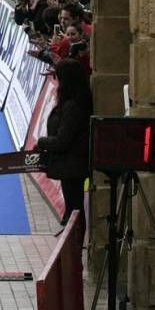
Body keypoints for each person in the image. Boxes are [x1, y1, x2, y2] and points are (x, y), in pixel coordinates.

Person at [36, 59, 92, 239]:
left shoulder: (73, 107)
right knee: (72, 209)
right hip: (69, 165)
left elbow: (62, 141)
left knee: (74, 210)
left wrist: (42, 143)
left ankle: (74, 245)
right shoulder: (72, 102)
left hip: (73, 166)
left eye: (58, 77)